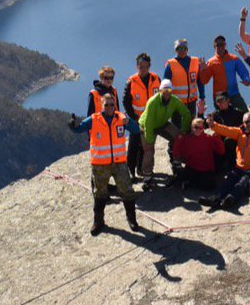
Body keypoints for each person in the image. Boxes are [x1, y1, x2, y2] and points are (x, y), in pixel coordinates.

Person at [68, 93, 141, 235]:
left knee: (127, 191)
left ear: (115, 105)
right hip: (100, 165)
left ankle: (132, 220)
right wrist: (72, 125)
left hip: (119, 163)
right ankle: (98, 222)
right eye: (106, 104)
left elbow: (136, 130)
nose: (109, 107)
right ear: (101, 105)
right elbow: (79, 129)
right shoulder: (94, 119)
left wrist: (129, 122)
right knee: (100, 193)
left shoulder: (121, 118)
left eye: (111, 104)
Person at [137, 78, 192, 186]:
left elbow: (186, 113)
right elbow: (148, 121)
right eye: (164, 90)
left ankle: (176, 162)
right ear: (160, 90)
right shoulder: (153, 102)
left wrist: (184, 130)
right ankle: (147, 175)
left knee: (178, 137)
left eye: (169, 90)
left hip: (162, 123)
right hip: (147, 126)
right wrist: (149, 139)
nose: (167, 93)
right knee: (149, 150)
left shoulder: (174, 100)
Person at [124, 53, 160, 180]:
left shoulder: (156, 79)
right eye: (140, 66)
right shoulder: (131, 81)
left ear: (149, 66)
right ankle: (130, 170)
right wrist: (133, 117)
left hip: (150, 120)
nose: (143, 69)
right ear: (137, 66)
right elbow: (126, 102)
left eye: (145, 66)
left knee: (146, 146)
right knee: (134, 145)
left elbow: (160, 98)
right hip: (136, 120)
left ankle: (142, 169)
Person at [199, 35, 250, 113]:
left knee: (245, 116)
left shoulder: (234, 59)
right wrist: (203, 70)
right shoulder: (211, 62)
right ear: (214, 46)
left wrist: (246, 80)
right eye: (218, 45)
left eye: (222, 44)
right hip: (220, 97)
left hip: (234, 95)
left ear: (225, 45)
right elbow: (204, 81)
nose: (220, 47)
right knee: (223, 121)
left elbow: (244, 72)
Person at [171, 117, 225, 191]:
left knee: (210, 186)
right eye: (196, 127)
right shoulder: (188, 138)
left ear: (203, 128)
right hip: (192, 167)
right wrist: (179, 139)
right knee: (179, 177)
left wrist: (217, 137)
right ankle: (190, 181)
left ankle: (191, 182)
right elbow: (177, 152)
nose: (198, 130)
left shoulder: (209, 138)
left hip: (205, 169)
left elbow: (221, 151)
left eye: (201, 127)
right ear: (192, 128)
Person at [163, 39, 202, 115]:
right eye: (179, 48)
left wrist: (202, 96)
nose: (181, 50)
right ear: (176, 50)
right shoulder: (171, 64)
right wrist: (165, 100)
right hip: (176, 103)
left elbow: (200, 81)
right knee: (177, 126)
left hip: (191, 102)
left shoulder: (195, 61)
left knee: (191, 125)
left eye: (184, 48)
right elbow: (165, 84)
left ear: (187, 50)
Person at [210, 91, 244, 171]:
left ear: (228, 100)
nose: (220, 103)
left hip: (236, 143)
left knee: (230, 140)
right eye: (218, 101)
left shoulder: (238, 113)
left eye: (222, 100)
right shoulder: (215, 115)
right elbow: (202, 125)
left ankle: (232, 165)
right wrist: (200, 114)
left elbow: (248, 126)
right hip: (221, 145)